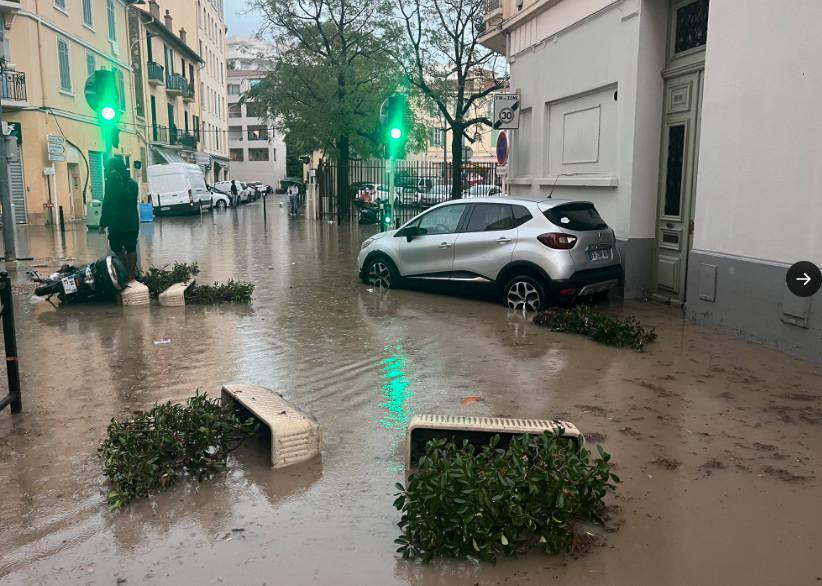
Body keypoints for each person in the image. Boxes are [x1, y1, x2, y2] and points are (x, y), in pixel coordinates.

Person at [99, 158, 139, 282]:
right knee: (116, 247)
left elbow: (128, 199)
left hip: (129, 223)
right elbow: (106, 203)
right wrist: (102, 223)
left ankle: (131, 275)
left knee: (131, 247)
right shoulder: (110, 184)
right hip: (115, 224)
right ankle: (126, 271)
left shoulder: (132, 184)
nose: (111, 173)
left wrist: (119, 183)